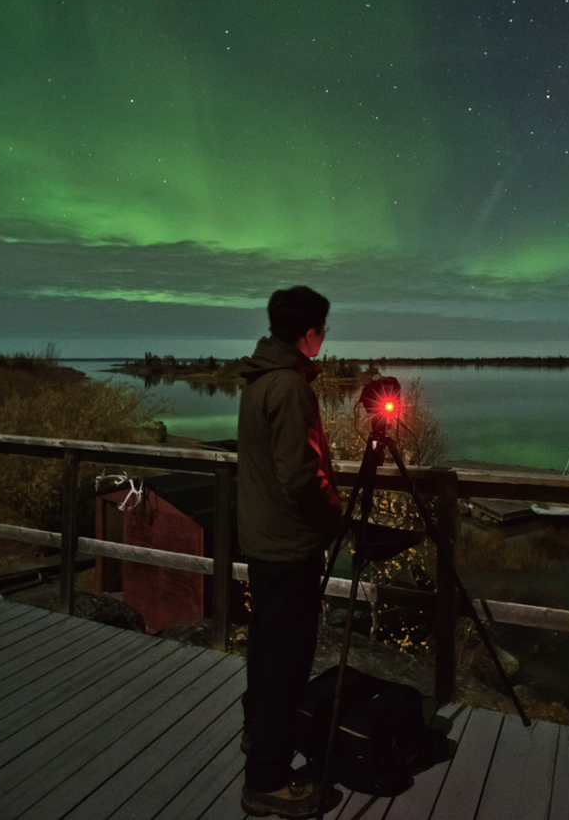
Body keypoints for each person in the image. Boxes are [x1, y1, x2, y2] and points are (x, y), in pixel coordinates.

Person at [237, 286, 343, 818]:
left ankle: (259, 736)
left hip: (263, 540)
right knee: (286, 660)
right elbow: (300, 478)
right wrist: (335, 516)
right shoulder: (289, 387)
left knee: (265, 648)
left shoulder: (258, 381)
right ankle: (268, 781)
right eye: (322, 329)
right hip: (288, 545)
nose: (324, 338)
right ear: (308, 334)